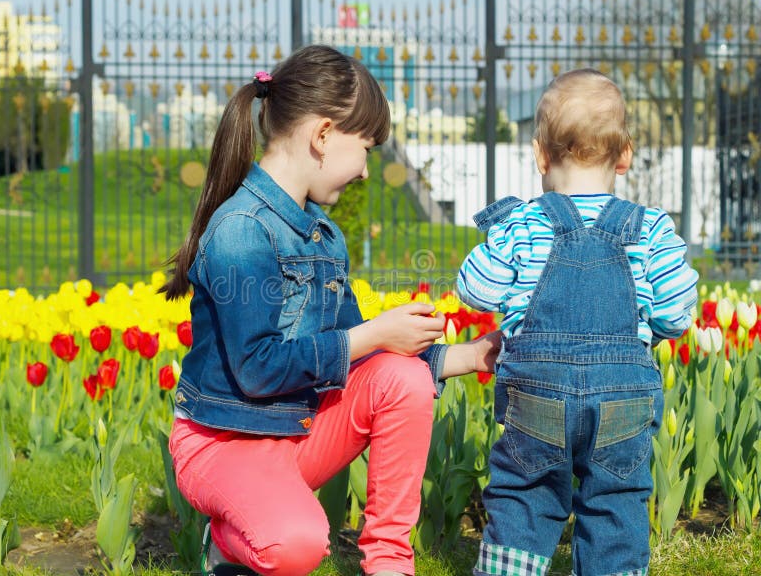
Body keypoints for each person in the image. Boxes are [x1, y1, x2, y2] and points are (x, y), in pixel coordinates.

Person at [161, 44, 501, 576]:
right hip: (225, 443)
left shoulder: (323, 235)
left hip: (294, 431)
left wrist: (472, 355)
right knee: (298, 545)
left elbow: (361, 361)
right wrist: (373, 335)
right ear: (322, 135)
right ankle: (228, 542)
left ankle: (389, 560)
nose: (367, 171)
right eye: (366, 148)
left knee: (402, 379)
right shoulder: (242, 230)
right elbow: (257, 369)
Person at [457, 69, 699, 576]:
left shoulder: (524, 222)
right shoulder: (650, 228)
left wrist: (501, 235)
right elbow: (678, 314)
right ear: (625, 154)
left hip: (538, 393)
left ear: (541, 155)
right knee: (616, 498)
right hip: (623, 397)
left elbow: (475, 290)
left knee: (525, 490)